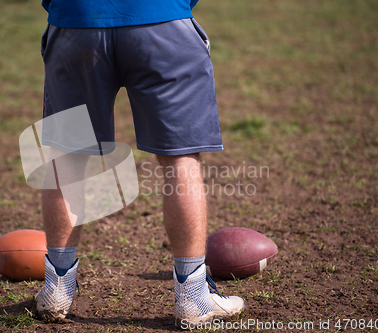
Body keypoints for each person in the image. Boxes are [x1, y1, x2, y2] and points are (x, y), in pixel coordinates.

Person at [33, 0, 245, 327]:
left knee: (68, 155)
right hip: (161, 20)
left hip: (76, 22)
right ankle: (193, 297)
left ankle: (56, 289)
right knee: (180, 158)